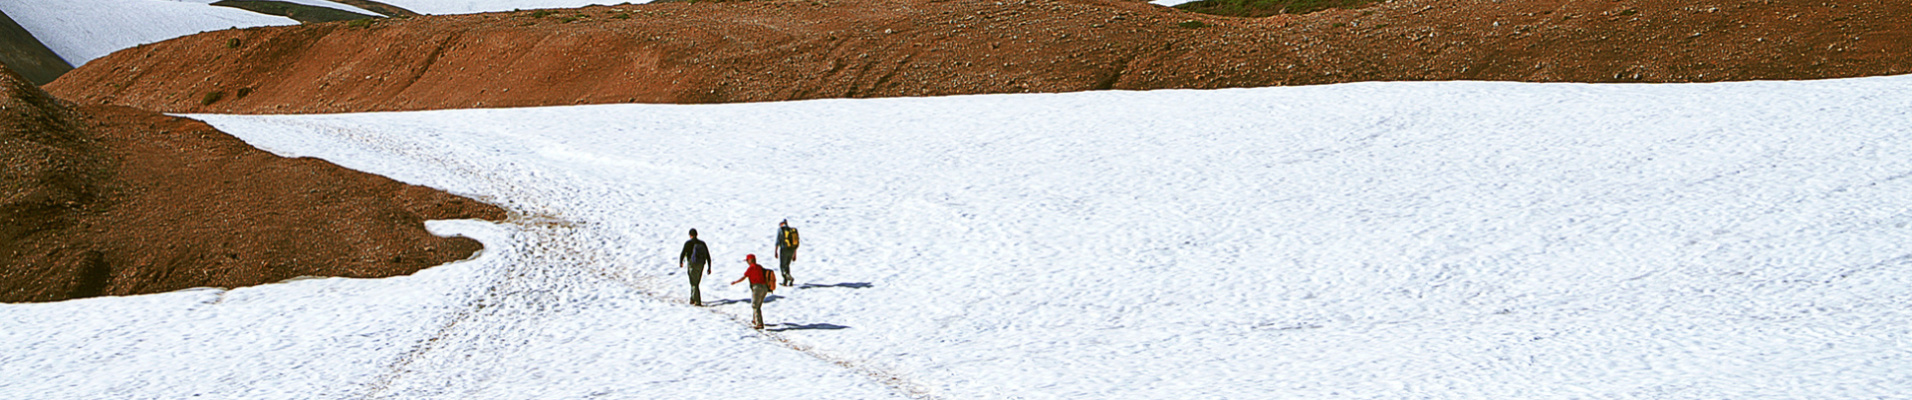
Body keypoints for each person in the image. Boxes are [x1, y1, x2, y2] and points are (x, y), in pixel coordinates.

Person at [730, 254, 776, 329]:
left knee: (755, 305)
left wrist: (735, 282)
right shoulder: (759, 267)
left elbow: (744, 277)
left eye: (747, 261)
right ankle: (755, 319)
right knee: (758, 305)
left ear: (750, 260)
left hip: (757, 287)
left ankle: (759, 324)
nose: (747, 262)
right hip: (764, 288)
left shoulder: (751, 268)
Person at [678, 228, 713, 306]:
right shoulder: (702, 243)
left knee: (694, 283)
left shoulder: (688, 243)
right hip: (701, 264)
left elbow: (683, 253)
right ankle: (692, 298)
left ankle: (697, 301)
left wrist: (681, 262)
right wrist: (709, 266)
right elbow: (707, 255)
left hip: (692, 264)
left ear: (690, 235)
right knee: (695, 281)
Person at [774, 219, 800, 287]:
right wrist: (794, 254)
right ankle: (785, 281)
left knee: (783, 266)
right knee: (787, 265)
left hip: (784, 250)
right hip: (791, 250)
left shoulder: (780, 230)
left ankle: (789, 278)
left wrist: (776, 251)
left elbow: (777, 241)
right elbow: (795, 244)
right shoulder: (792, 231)